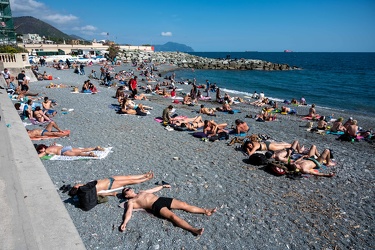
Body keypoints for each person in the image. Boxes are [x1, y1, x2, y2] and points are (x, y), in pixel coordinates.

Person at [120, 184, 216, 235]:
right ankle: (194, 230)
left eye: (129, 188)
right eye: (127, 190)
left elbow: (153, 190)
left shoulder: (141, 191)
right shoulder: (131, 201)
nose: (130, 189)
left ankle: (205, 211)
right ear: (126, 195)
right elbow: (128, 212)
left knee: (184, 204)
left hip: (161, 199)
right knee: (173, 216)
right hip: (155, 206)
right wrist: (124, 223)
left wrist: (162, 186)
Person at [68, 171, 154, 198]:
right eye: (76, 186)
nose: (77, 184)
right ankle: (146, 178)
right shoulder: (87, 191)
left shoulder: (86, 186)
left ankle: (144, 175)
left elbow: (76, 186)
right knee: (129, 181)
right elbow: (101, 193)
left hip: (110, 179)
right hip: (110, 185)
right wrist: (112, 194)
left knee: (128, 177)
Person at [36, 144, 105, 158]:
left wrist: (37, 156)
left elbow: (40, 155)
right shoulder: (51, 146)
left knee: (78, 154)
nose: (41, 151)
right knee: (82, 149)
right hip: (66, 147)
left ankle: (89, 154)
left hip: (63, 152)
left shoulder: (47, 150)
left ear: (42, 148)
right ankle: (95, 148)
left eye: (40, 150)